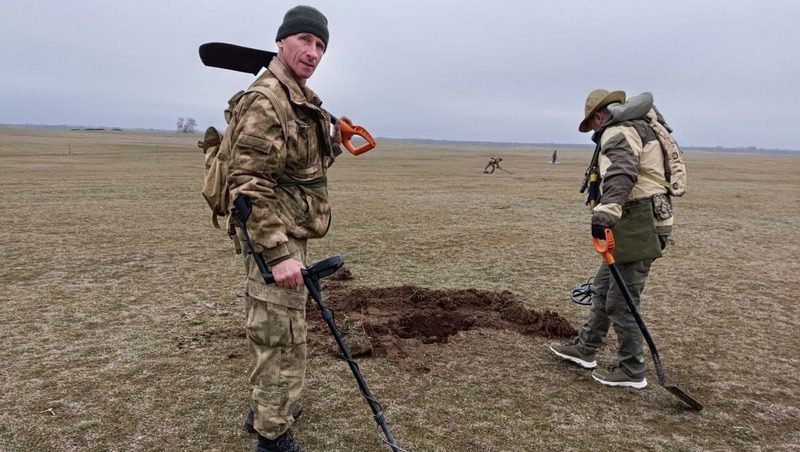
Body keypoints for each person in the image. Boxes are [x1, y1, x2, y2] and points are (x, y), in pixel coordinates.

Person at [226, 6, 345, 452]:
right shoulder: (268, 99)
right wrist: (277, 255)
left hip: (289, 232)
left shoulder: (297, 97)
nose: (313, 53)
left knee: (287, 328)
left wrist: (333, 141)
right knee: (278, 337)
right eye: (304, 41)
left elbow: (300, 167)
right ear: (281, 42)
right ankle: (271, 437)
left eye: (320, 46)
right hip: (272, 237)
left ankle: (269, 408)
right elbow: (248, 185)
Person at [549, 89, 674, 389]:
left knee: (621, 301)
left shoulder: (619, 131)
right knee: (603, 288)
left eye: (592, 122)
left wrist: (605, 213)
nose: (592, 128)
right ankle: (586, 347)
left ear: (600, 115)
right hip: (633, 220)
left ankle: (632, 369)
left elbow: (621, 173)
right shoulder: (637, 127)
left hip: (638, 223)